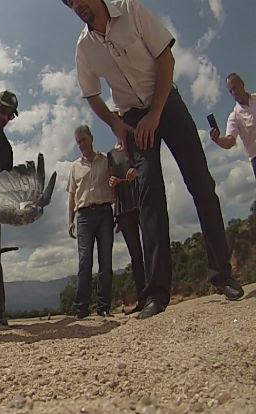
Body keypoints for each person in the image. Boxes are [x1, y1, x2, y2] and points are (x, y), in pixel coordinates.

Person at [62, 0, 244, 319]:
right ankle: (157, 293)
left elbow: (165, 57)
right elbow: (91, 93)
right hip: (131, 118)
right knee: (149, 199)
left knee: (201, 184)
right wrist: (118, 125)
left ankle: (223, 276)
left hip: (166, 102)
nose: (76, 5)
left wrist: (156, 113)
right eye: (68, 2)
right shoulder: (84, 47)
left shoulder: (130, 9)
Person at [67, 125, 114, 318]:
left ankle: (103, 307)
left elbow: (114, 185)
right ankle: (82, 308)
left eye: (84, 140)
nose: (81, 145)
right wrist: (70, 221)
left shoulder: (105, 160)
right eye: (78, 142)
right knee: (85, 262)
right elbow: (71, 196)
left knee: (106, 261)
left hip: (104, 212)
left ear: (92, 138)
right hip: (84, 216)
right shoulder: (75, 166)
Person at [107, 143, 145, 314]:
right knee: (135, 255)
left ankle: (158, 292)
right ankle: (142, 298)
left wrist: (137, 171)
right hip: (124, 206)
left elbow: (148, 166)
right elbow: (111, 180)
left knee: (152, 247)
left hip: (141, 199)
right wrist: (112, 182)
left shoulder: (136, 145)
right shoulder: (111, 154)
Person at [210, 73, 256, 179]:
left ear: (242, 84)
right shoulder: (234, 117)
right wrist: (217, 140)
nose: (234, 93)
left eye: (234, 88)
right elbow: (230, 141)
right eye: (230, 91)